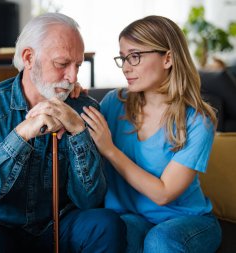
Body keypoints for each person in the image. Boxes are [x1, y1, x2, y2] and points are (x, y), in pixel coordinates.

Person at [0, 13, 126, 253]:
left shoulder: (85, 109)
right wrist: (20, 135)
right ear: (29, 58)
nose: (73, 78)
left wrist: (79, 133)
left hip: (59, 224)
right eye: (62, 64)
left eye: (78, 66)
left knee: (106, 224)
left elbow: (89, 201)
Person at [81, 15, 222, 253]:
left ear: (167, 58)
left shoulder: (198, 120)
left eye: (135, 56)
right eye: (123, 57)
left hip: (187, 221)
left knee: (159, 241)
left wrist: (111, 151)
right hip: (132, 216)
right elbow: (80, 142)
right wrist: (73, 97)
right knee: (112, 231)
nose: (126, 66)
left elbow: (164, 194)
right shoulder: (113, 104)